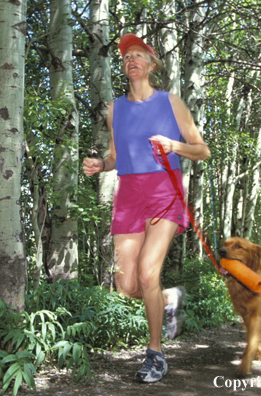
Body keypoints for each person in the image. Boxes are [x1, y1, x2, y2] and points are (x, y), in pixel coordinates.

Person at [82, 33, 210, 383]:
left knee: (148, 273)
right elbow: (116, 156)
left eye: (138, 55)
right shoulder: (115, 109)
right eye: (126, 57)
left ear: (152, 65)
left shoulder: (171, 102)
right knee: (127, 284)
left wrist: (174, 145)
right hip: (129, 194)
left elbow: (202, 150)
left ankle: (155, 353)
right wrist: (101, 165)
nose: (131, 60)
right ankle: (169, 298)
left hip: (163, 190)